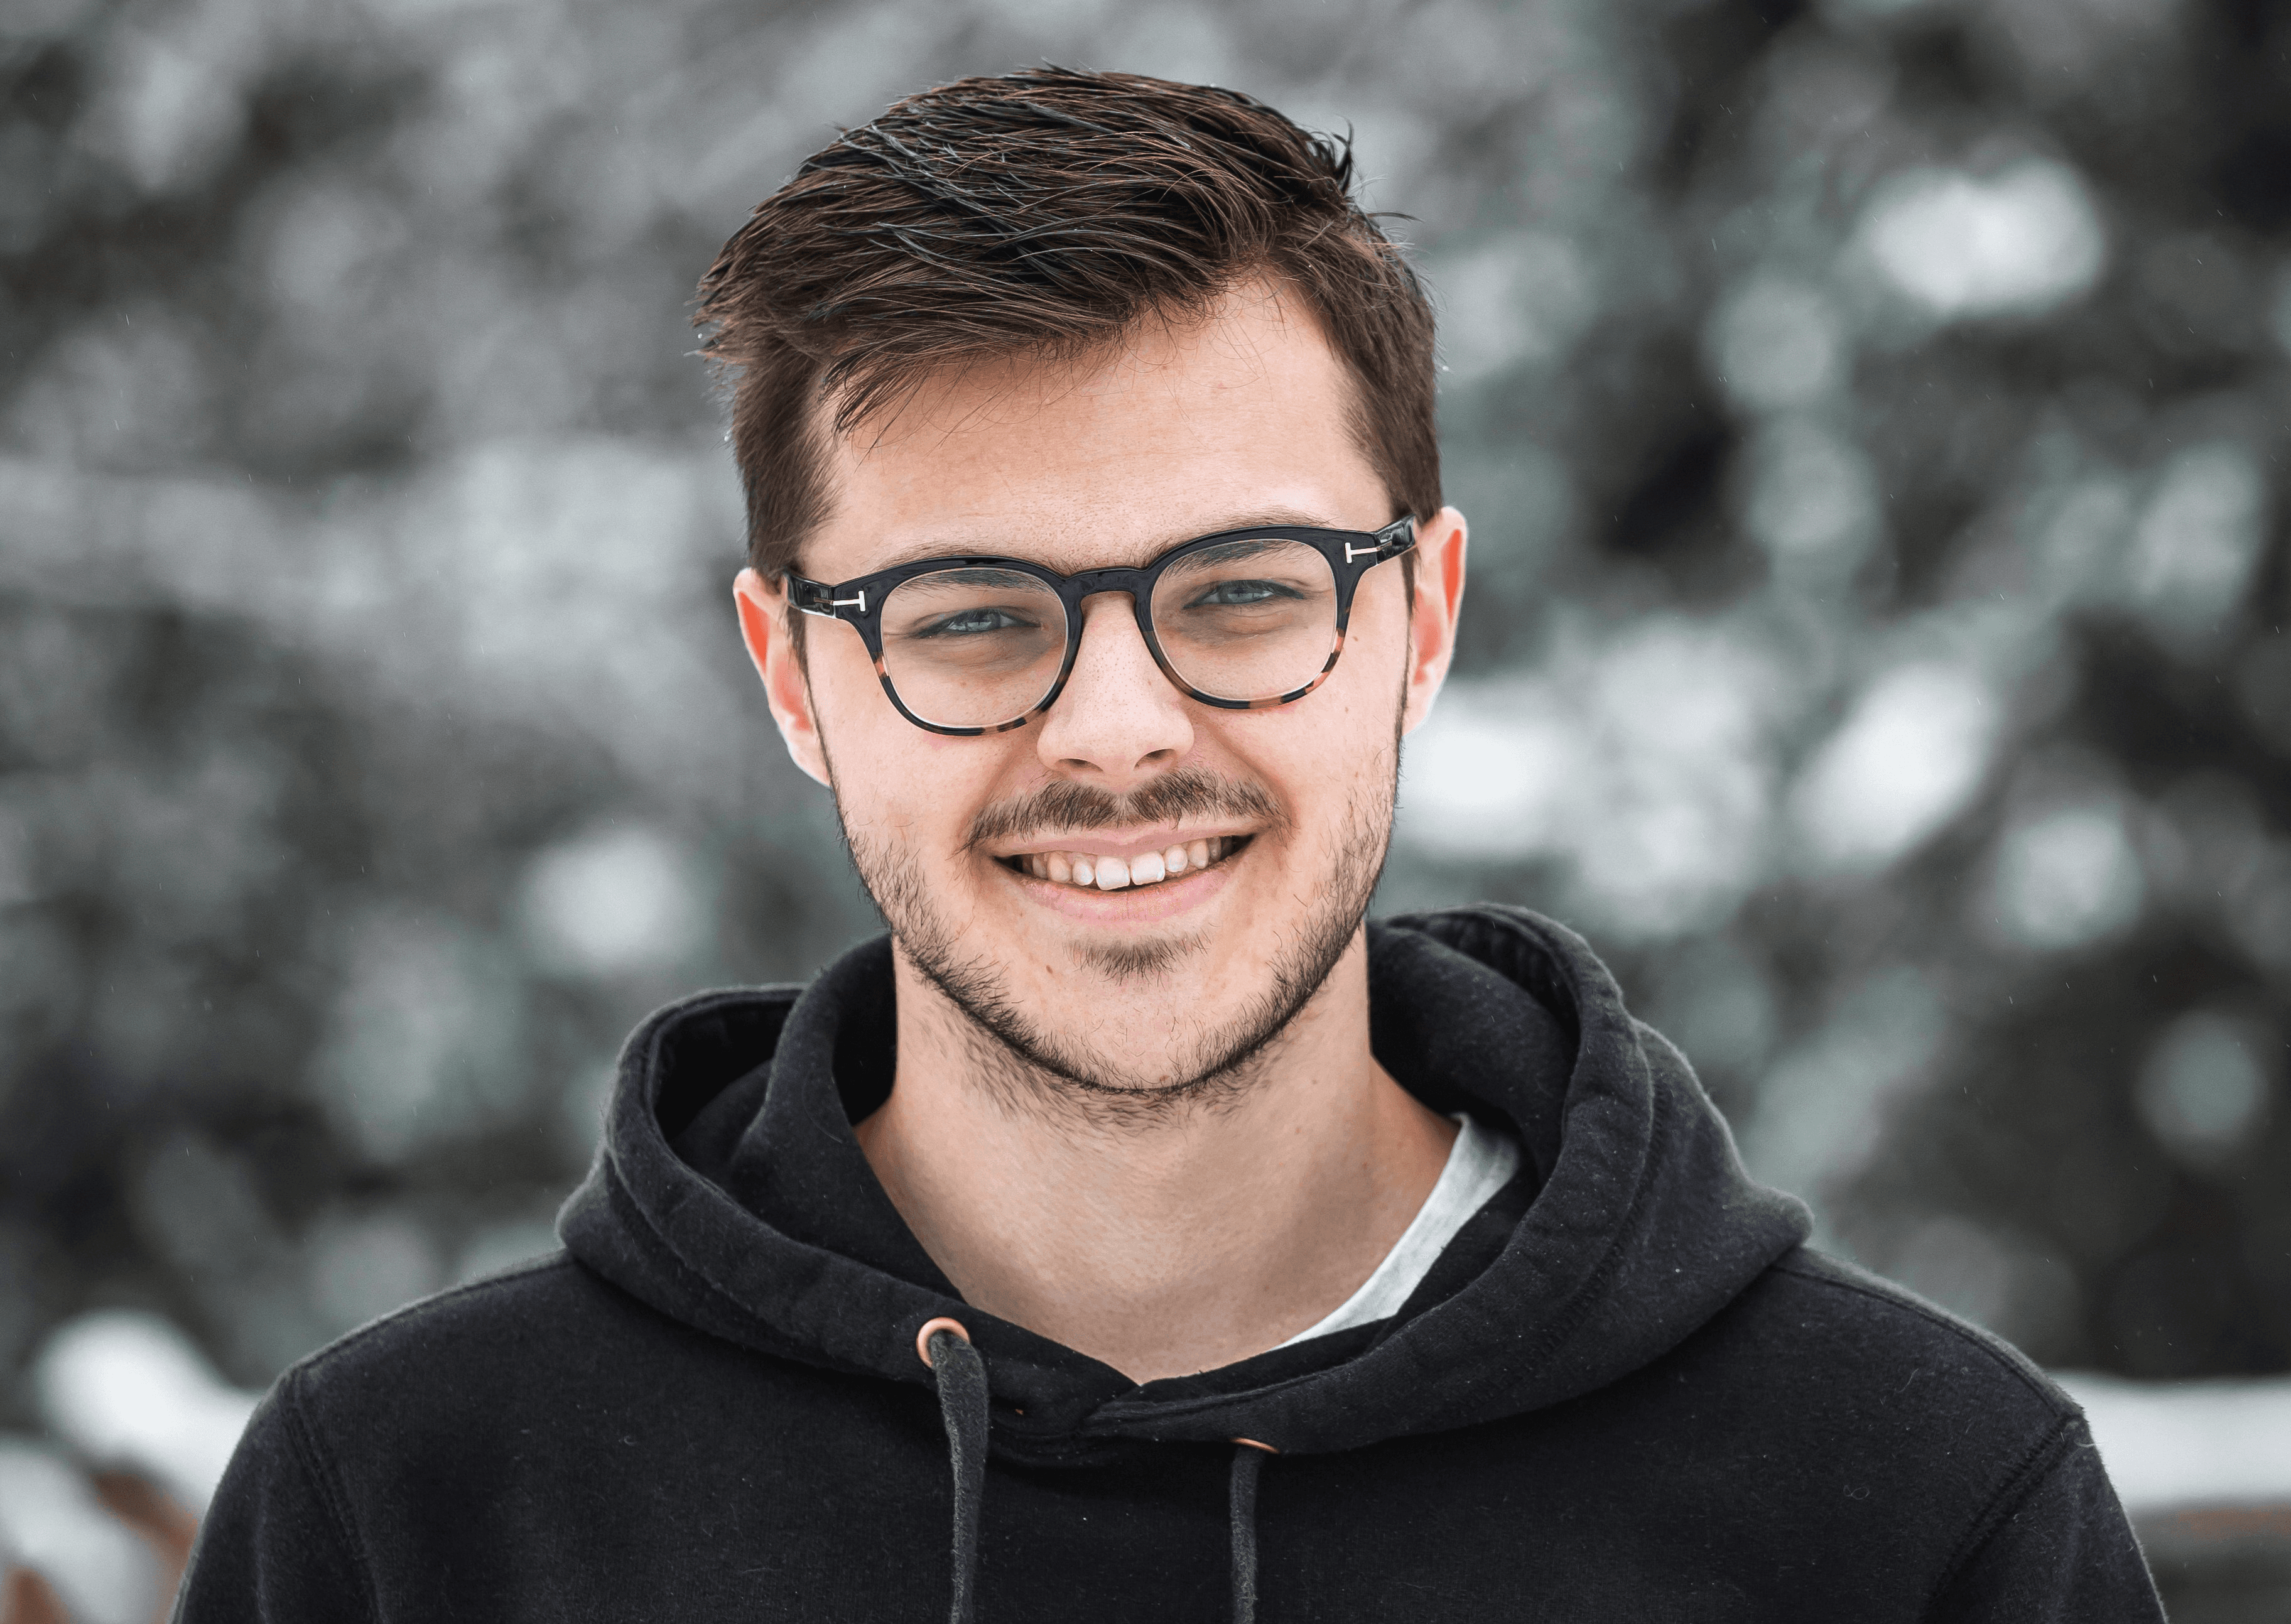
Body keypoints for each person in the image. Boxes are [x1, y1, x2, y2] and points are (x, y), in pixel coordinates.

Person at [176, 68, 2164, 1621]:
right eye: (970, 615)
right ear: (792, 678)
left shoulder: (1903, 1512)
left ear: (1425, 616)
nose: (1116, 729)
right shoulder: (415, 1512)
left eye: (1240, 590)